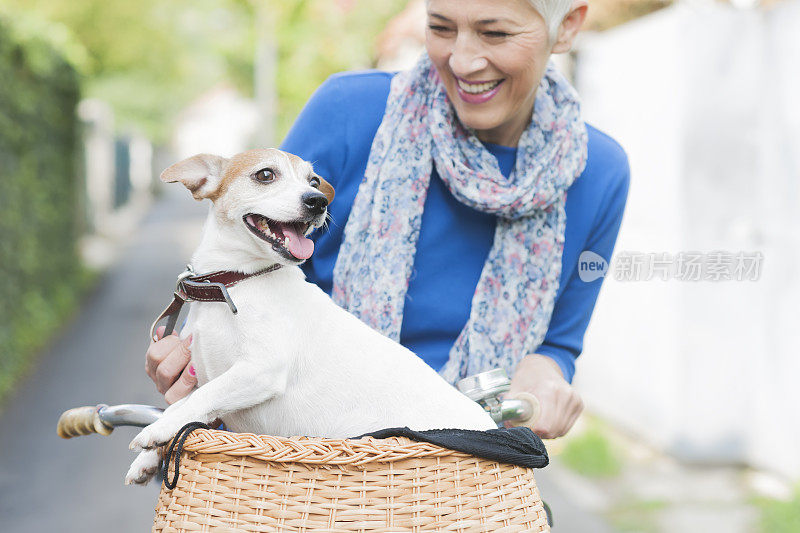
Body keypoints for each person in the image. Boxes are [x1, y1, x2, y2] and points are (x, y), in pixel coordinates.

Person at [146, 0, 629, 439]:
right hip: (309, 459)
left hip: (474, 464)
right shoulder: (350, 110)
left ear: (566, 27)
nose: (462, 60)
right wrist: (198, 359)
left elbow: (559, 340)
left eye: (495, 33)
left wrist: (545, 374)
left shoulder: (599, 171)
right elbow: (252, 272)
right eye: (440, 27)